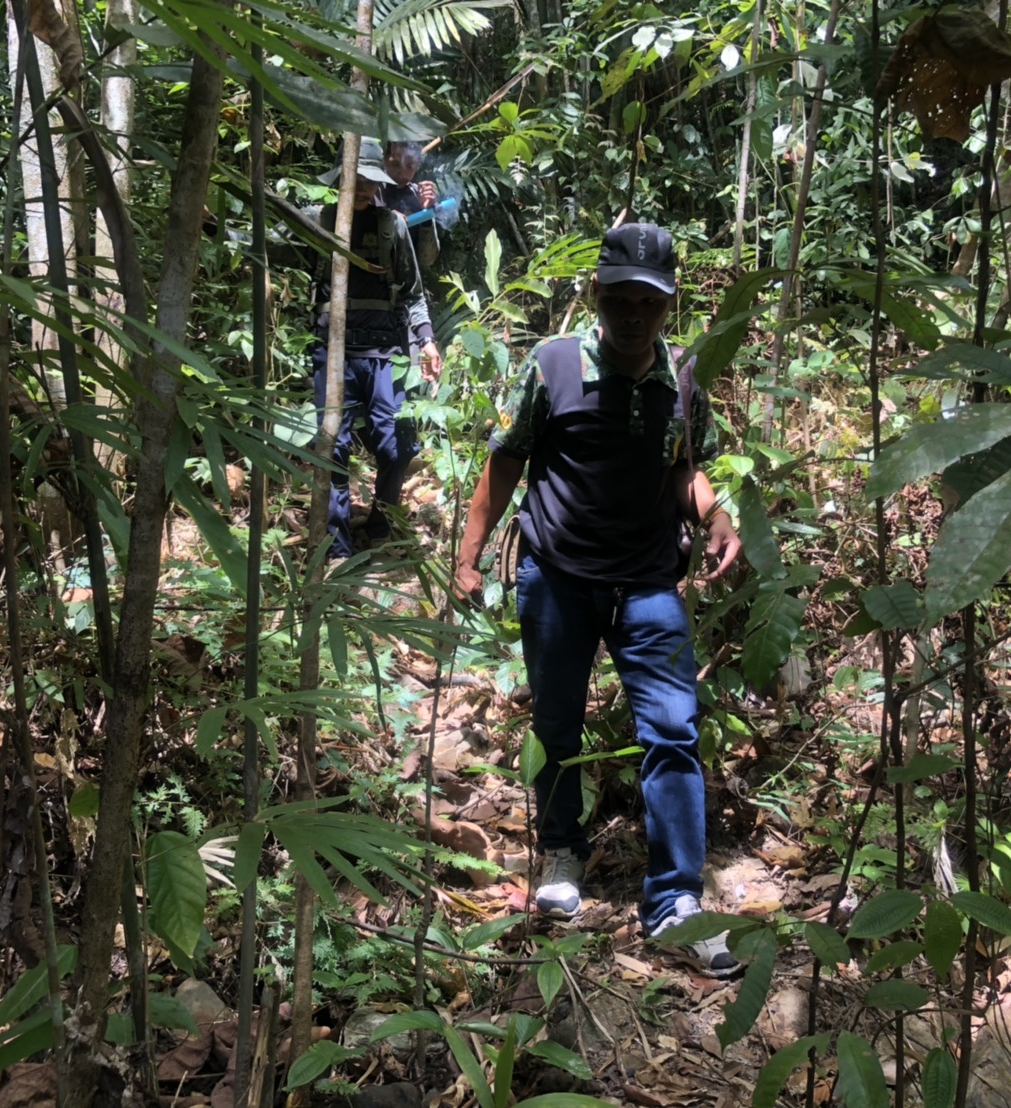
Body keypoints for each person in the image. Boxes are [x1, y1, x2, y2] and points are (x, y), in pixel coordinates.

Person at [453, 222, 744, 976]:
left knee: (673, 730)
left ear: (668, 305)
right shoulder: (552, 365)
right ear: (596, 295)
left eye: (648, 302)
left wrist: (714, 514)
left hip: (648, 580)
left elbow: (683, 467)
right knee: (557, 721)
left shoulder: (682, 381)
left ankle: (677, 900)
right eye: (619, 299)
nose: (632, 315)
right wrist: (469, 555)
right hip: (557, 575)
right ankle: (561, 851)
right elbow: (506, 459)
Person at [312, 137, 442, 557]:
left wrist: (427, 340)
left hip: (385, 352)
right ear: (341, 179)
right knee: (332, 448)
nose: (366, 187)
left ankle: (382, 522)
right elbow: (267, 242)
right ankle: (337, 550)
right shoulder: (319, 221)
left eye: (372, 180)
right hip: (334, 351)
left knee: (398, 445)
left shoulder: (392, 226)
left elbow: (413, 292)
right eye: (358, 179)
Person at [382, 140, 439, 272]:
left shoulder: (418, 195)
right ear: (384, 160)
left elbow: (427, 260)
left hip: (405, 281)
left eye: (410, 166)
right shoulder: (370, 191)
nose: (402, 173)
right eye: (396, 164)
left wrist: (426, 214)